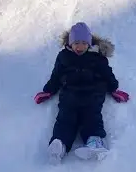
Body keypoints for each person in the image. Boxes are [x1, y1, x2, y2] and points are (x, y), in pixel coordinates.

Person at [34, 22, 129, 164]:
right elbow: (56, 75)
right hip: (70, 94)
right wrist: (48, 91)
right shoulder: (64, 56)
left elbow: (107, 74)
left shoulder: (97, 57)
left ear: (89, 43)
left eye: (84, 43)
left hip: (93, 93)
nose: (80, 47)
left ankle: (95, 142)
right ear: (70, 43)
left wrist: (113, 88)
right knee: (65, 117)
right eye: (76, 43)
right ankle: (59, 145)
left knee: (92, 116)